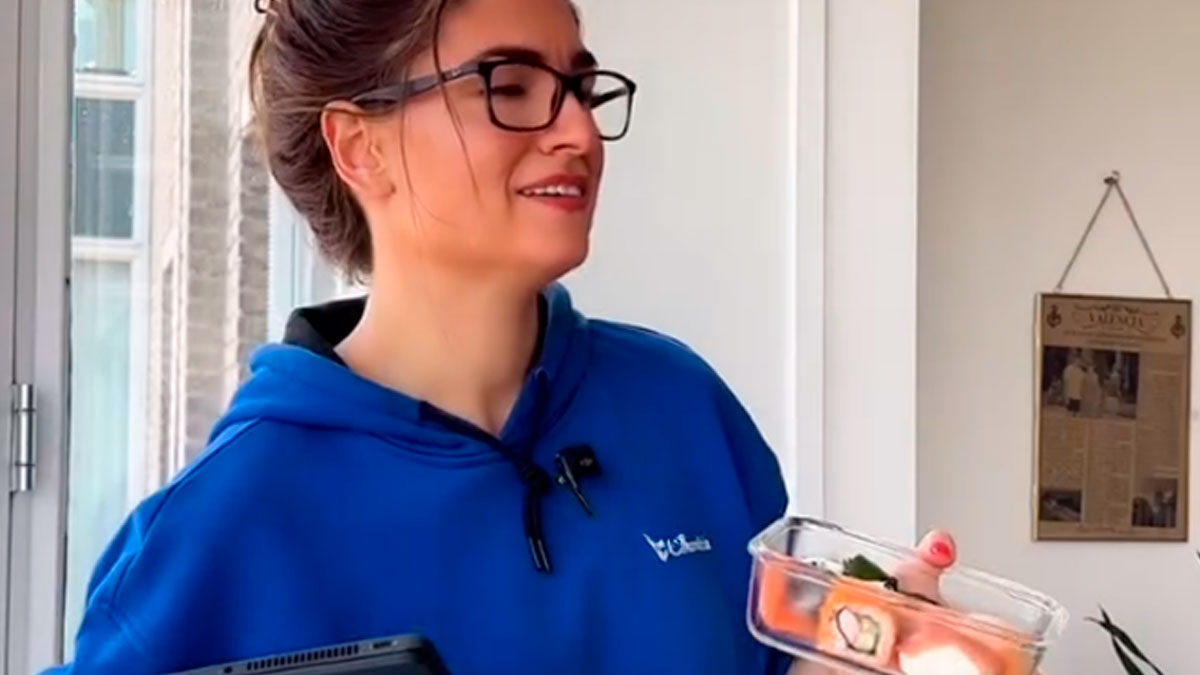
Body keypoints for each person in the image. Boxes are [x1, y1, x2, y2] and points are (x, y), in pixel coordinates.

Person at [50, 1, 969, 674]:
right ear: (360, 147)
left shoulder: (682, 408)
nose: (576, 130)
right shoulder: (227, 527)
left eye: (577, 84)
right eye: (512, 85)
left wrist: (859, 656)